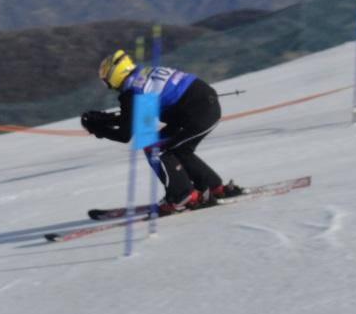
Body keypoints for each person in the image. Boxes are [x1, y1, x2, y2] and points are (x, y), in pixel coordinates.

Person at [81, 50, 240, 215]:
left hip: (197, 113)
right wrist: (105, 120)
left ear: (115, 75)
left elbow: (125, 134)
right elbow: (138, 120)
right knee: (172, 147)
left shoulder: (132, 92)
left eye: (106, 80)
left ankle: (183, 196)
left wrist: (99, 129)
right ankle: (213, 187)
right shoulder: (142, 76)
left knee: (158, 148)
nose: (107, 85)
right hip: (203, 107)